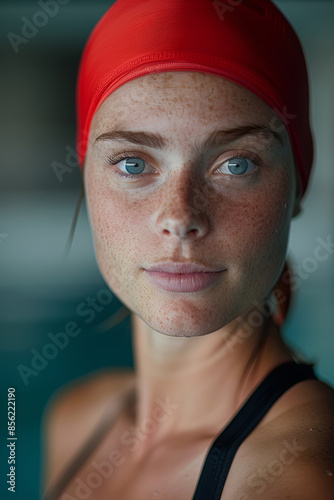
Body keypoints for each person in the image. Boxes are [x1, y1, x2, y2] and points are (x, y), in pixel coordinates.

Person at [41, 0, 334, 499]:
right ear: (87, 180)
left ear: (296, 188)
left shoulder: (294, 479)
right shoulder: (76, 419)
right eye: (133, 164)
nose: (180, 217)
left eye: (236, 164)